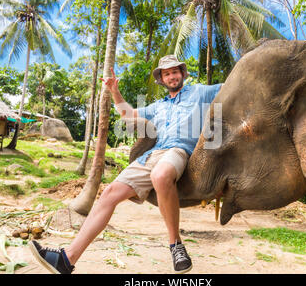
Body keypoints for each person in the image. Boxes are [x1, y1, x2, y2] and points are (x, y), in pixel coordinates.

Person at [29, 55, 223, 274]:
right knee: (109, 193)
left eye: (175, 71)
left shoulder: (200, 92)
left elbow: (233, 85)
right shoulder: (158, 106)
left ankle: (175, 245)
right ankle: (66, 259)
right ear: (161, 79)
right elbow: (127, 114)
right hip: (152, 154)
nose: (172, 76)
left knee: (160, 175)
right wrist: (114, 91)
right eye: (166, 73)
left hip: (179, 151)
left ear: (183, 73)